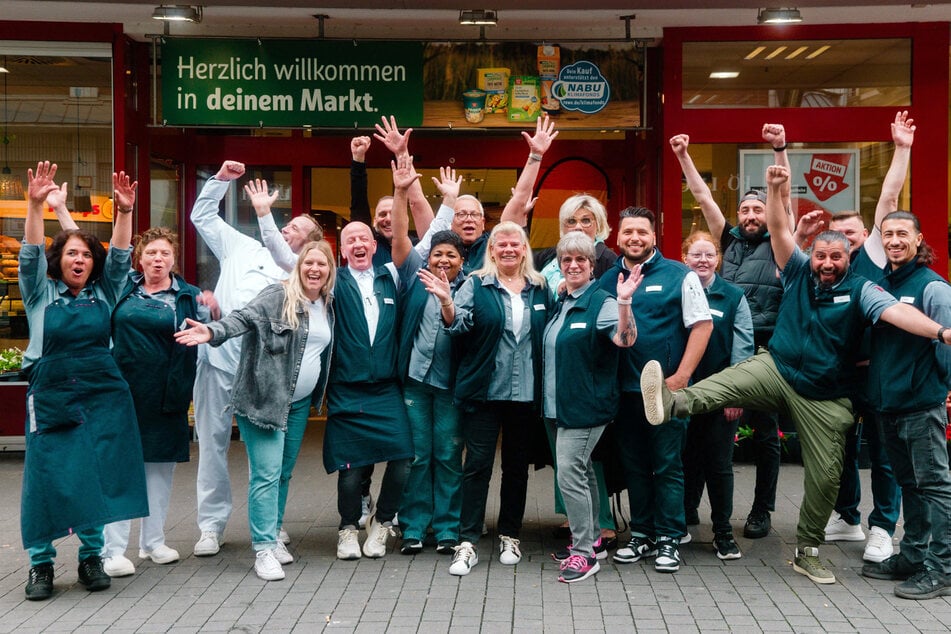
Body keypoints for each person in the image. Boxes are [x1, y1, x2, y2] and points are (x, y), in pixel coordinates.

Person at [640, 163, 951, 586]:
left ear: (847, 260)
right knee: (726, 383)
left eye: (835, 257)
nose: (826, 263)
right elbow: (780, 232)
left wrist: (941, 332)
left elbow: (899, 313)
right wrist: (774, 187)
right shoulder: (799, 271)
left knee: (825, 477)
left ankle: (807, 551)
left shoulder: (863, 289)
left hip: (823, 395)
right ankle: (670, 404)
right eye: (821, 255)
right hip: (778, 366)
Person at [19, 161, 148, 601]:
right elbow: (32, 250)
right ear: (61, 260)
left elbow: (119, 257)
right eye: (72, 253)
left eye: (86, 255)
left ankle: (91, 557)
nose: (80, 259)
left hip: (101, 394)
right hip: (51, 393)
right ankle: (41, 564)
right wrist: (35, 205)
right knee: (45, 478)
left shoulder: (105, 292)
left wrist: (125, 213)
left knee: (95, 472)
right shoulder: (40, 291)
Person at [176, 240, 336, 581]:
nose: (314, 269)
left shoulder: (326, 304)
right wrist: (212, 331)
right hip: (263, 399)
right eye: (309, 263)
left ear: (329, 271)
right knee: (265, 473)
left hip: (298, 405)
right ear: (298, 266)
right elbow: (243, 318)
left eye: (322, 264)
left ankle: (274, 534)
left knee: (283, 473)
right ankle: (263, 549)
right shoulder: (278, 295)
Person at [189, 160, 321, 557]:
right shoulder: (241, 245)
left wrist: (264, 214)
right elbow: (201, 216)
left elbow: (284, 256)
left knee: (263, 457)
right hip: (220, 361)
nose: (287, 228)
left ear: (311, 241)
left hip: (265, 375)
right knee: (211, 444)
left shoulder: (302, 269)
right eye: (286, 222)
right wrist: (221, 181)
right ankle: (210, 526)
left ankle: (268, 526)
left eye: (297, 227)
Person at [670, 124, 794, 541]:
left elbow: (785, 197)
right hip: (723, 345)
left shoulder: (781, 239)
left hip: (769, 350)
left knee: (765, 434)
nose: (751, 216)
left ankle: (762, 511)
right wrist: (684, 154)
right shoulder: (728, 241)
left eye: (758, 210)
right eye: (745, 210)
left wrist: (779, 150)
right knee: (709, 432)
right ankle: (689, 508)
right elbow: (703, 197)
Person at [597, 206, 713, 574]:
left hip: (665, 393)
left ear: (653, 237)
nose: (634, 238)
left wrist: (681, 377)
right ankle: (642, 533)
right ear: (618, 236)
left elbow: (703, 326)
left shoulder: (681, 275)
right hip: (625, 393)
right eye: (628, 231)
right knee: (634, 466)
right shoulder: (606, 279)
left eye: (641, 232)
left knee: (666, 465)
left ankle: (669, 537)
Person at [822, 112, 915, 563]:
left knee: (881, 452)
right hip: (838, 375)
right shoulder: (827, 266)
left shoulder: (873, 258)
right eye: (836, 234)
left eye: (851, 233)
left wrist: (901, 149)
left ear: (865, 236)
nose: (844, 240)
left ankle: (882, 527)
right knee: (838, 447)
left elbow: (890, 197)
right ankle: (847, 517)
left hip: (874, 373)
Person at [444, 221, 552, 576]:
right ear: (492, 250)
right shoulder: (476, 284)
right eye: (501, 244)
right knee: (476, 466)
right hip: (485, 391)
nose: (508, 249)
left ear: (524, 250)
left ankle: (510, 535)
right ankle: (467, 542)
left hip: (525, 394)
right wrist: (447, 303)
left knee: (516, 468)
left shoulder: (540, 288)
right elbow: (457, 327)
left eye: (514, 244)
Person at [101, 228, 210, 578]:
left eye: (164, 254)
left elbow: (212, 334)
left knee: (160, 472)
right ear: (140, 258)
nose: (157, 260)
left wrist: (214, 309)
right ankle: (113, 550)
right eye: (151, 254)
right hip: (122, 392)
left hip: (167, 394)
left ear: (174, 259)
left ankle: (153, 542)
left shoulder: (190, 297)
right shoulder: (121, 287)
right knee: (120, 470)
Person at [860, 210, 951, 600]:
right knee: (910, 484)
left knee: (936, 486)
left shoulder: (933, 287)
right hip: (887, 404)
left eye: (903, 234)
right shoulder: (881, 283)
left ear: (918, 239)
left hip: (920, 404)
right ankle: (913, 556)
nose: (895, 240)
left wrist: (945, 389)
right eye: (888, 234)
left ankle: (942, 567)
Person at [542, 232, 641, 583]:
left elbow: (624, 339)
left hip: (586, 407)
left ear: (592, 265)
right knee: (580, 473)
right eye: (566, 260)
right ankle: (594, 541)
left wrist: (625, 302)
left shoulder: (603, 302)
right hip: (558, 407)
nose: (573, 266)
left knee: (570, 474)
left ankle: (584, 554)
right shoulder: (563, 301)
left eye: (580, 260)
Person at [389, 155, 467, 554]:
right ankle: (415, 527)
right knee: (418, 457)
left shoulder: (470, 288)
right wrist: (401, 191)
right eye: (437, 255)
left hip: (452, 388)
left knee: (450, 457)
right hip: (416, 384)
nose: (443, 261)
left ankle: (448, 529)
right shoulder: (413, 276)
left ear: (461, 263)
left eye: (451, 256)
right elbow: (400, 238)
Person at [327, 221, 413, 561]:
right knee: (351, 469)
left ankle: (383, 522)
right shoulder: (333, 281)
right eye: (351, 240)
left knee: (404, 458)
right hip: (347, 388)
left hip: (386, 388)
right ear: (343, 249)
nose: (358, 244)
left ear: (375, 246)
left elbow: (421, 238)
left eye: (364, 238)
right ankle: (348, 529)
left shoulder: (390, 277)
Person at [679, 231, 754, 560]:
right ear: (684, 258)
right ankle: (681, 521)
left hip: (721, 395)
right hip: (683, 395)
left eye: (709, 255)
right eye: (696, 255)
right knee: (685, 460)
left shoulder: (733, 296)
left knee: (719, 465)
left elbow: (744, 348)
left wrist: (736, 394)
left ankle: (723, 532)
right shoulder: (676, 290)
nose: (703, 261)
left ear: (718, 260)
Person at [452, 114, 558, 272]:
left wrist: (535, 156)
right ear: (451, 220)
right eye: (461, 214)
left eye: (474, 214)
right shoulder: (442, 246)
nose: (469, 219)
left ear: (483, 222)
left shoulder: (497, 243)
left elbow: (520, 197)